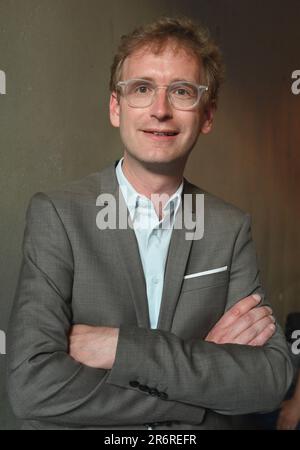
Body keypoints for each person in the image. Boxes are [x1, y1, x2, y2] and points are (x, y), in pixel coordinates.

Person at [7, 16, 293, 430]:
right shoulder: (58, 214)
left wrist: (119, 346)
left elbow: (269, 380)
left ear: (207, 115)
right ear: (115, 108)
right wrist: (197, 381)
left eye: (181, 92)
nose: (160, 110)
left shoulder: (229, 227)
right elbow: (32, 386)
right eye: (142, 89)